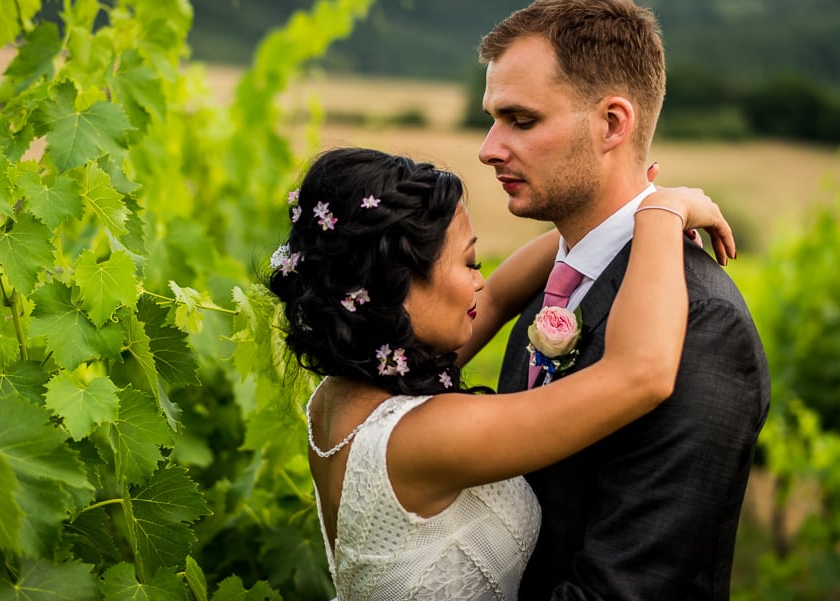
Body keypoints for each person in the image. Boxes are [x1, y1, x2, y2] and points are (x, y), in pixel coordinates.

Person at [267, 146, 736, 600]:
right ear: (399, 286)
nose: (479, 281)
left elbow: (495, 299)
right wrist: (662, 212)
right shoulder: (420, 439)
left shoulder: (344, 394)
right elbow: (640, 374)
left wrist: (617, 211)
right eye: (469, 263)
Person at [476, 1, 771, 599]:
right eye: (492, 119)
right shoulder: (553, 281)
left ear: (613, 124)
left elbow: (628, 588)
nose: (488, 148)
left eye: (521, 120)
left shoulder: (703, 324)